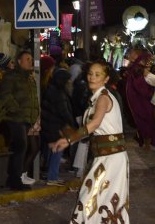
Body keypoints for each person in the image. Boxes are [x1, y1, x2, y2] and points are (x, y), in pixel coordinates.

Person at [50, 61, 129, 223]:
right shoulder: (96, 98)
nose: (92, 77)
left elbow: (94, 124)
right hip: (104, 156)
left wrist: (69, 139)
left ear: (106, 79)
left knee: (90, 198)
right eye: (90, 73)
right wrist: (65, 133)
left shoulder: (103, 98)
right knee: (99, 200)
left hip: (112, 158)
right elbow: (91, 130)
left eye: (97, 74)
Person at [0, 50, 39, 190]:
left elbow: (33, 99)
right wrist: (16, 109)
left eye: (31, 59)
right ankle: (14, 180)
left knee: (25, 147)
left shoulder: (29, 78)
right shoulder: (11, 76)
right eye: (27, 59)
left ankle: (16, 177)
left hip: (26, 119)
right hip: (14, 118)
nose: (30, 61)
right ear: (19, 61)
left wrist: (35, 116)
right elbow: (5, 96)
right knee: (20, 146)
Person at [41, 68, 75, 186]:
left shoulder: (51, 89)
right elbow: (64, 112)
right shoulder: (59, 93)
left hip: (51, 124)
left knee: (54, 150)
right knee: (58, 150)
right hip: (56, 126)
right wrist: (72, 124)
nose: (69, 82)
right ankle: (52, 177)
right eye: (68, 80)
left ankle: (52, 175)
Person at [125, 49, 155, 150]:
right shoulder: (136, 67)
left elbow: (143, 84)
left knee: (146, 121)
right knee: (144, 121)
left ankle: (148, 142)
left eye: (132, 53)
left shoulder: (139, 68)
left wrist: (150, 94)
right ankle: (147, 142)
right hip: (138, 99)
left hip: (142, 100)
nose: (130, 55)